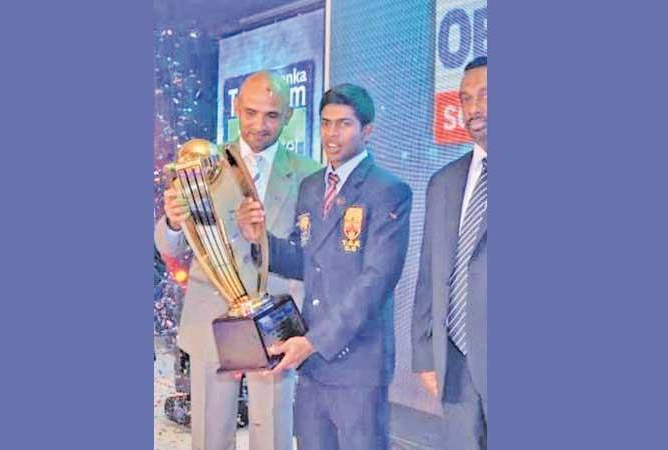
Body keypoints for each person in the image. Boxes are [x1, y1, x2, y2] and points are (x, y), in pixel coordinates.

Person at [237, 83, 412, 450]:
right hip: (312, 364)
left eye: (344, 124)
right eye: (326, 123)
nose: (332, 135)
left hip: (356, 364)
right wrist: (260, 239)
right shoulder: (312, 186)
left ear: (367, 130)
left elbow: (375, 282)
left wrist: (314, 342)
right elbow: (305, 260)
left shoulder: (388, 191)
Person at [155, 70, 320, 450]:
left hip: (275, 323)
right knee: (210, 435)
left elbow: (310, 254)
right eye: (250, 113)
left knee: (274, 434)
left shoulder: (308, 174)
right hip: (210, 318)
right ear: (235, 108)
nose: (259, 125)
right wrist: (174, 223)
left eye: (272, 115)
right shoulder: (202, 164)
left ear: (289, 115)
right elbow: (169, 244)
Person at [411, 56, 488, 450]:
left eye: (486, 95)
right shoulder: (443, 182)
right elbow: (429, 273)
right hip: (455, 363)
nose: (474, 108)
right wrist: (424, 353)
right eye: (466, 98)